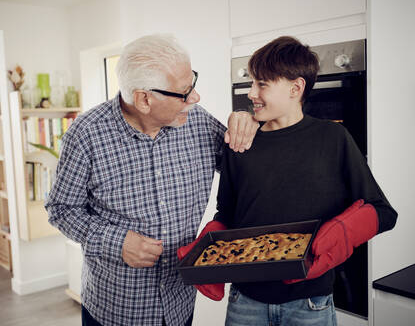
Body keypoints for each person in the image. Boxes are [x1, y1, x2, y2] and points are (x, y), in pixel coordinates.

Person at [180, 36, 398, 325]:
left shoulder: (333, 139)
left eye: (262, 84)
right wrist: (207, 250)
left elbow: (382, 211)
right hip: (244, 302)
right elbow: (228, 213)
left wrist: (340, 234)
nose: (251, 93)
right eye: (252, 82)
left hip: (311, 304)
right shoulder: (241, 142)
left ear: (296, 88)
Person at [45, 34, 258, 326]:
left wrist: (249, 122)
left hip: (180, 304)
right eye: (184, 92)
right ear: (144, 99)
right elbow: (61, 210)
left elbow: (247, 166)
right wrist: (116, 242)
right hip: (116, 310)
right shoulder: (86, 135)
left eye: (192, 83)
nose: (195, 98)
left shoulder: (197, 121)